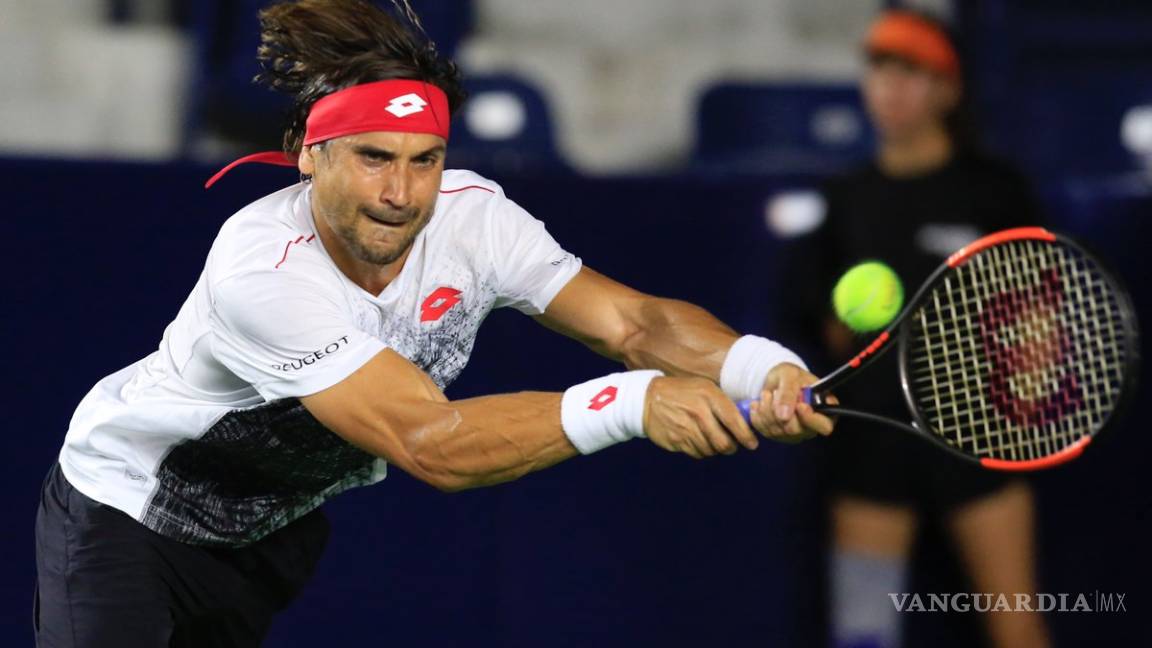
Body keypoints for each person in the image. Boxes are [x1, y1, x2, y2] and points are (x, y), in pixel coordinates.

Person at [32, 1, 834, 646]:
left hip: (268, 533)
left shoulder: (474, 218)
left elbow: (632, 320)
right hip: (126, 514)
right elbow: (432, 444)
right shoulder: (264, 273)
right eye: (374, 157)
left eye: (426, 160)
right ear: (309, 155)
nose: (402, 192)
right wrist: (630, 404)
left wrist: (755, 368)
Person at [792, 10, 1053, 648]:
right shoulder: (845, 197)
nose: (891, 87)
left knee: (1016, 628)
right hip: (873, 445)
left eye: (912, 72)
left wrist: (1029, 364)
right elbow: (825, 329)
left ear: (948, 90)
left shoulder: (996, 192)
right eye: (880, 69)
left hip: (977, 439)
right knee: (862, 634)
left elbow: (1039, 314)